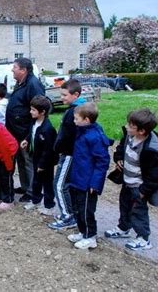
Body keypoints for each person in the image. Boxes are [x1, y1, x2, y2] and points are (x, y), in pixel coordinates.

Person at [105, 108, 158, 251]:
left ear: (142, 131)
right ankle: (123, 228)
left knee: (138, 211)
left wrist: (143, 191)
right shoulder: (129, 136)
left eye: (130, 125)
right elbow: (120, 148)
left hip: (139, 186)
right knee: (124, 205)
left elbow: (156, 175)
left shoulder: (153, 149)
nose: (126, 127)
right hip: (127, 182)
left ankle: (143, 238)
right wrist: (119, 159)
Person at [66, 103, 111, 249]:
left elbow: (102, 161)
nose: (74, 121)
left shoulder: (95, 136)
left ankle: (90, 236)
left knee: (86, 210)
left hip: (87, 183)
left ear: (86, 120)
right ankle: (82, 231)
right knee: (78, 207)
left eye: (76, 118)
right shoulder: (82, 131)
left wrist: (95, 183)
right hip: (77, 178)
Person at [48, 79, 86, 230]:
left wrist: (58, 147)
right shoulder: (77, 109)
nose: (61, 98)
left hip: (69, 154)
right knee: (65, 185)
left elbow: (68, 136)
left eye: (64, 95)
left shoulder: (74, 112)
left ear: (75, 94)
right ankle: (70, 212)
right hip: (70, 153)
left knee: (59, 185)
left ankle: (68, 216)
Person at [5, 58, 45, 202]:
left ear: (24, 70)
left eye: (15, 67)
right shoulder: (21, 83)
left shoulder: (33, 84)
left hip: (25, 130)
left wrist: (30, 133)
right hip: (16, 130)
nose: (12, 70)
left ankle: (33, 191)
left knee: (28, 160)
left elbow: (40, 107)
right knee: (21, 160)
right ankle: (25, 185)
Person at [20, 95, 58, 215]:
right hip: (35, 156)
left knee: (47, 183)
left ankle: (49, 205)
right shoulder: (34, 122)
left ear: (42, 112)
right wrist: (27, 140)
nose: (30, 112)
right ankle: (35, 200)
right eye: (31, 109)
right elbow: (31, 133)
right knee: (36, 181)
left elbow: (49, 149)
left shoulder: (48, 129)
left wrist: (42, 164)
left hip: (46, 161)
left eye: (33, 110)